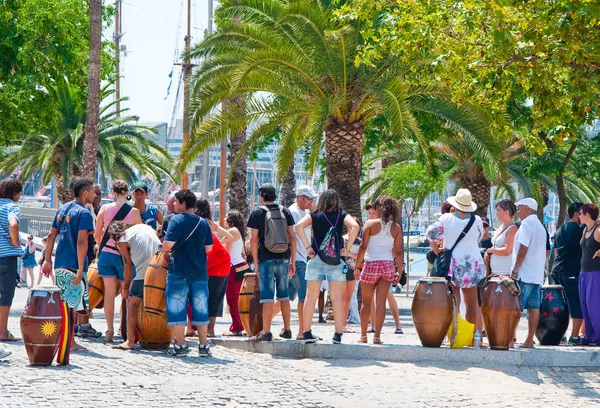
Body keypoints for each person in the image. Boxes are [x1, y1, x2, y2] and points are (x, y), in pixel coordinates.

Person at [296, 189, 359, 344]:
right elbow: (356, 227)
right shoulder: (341, 215)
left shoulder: (314, 215)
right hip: (335, 261)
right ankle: (337, 335)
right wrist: (347, 248)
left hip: (316, 258)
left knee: (311, 298)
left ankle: (307, 333)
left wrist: (307, 247)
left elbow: (298, 227)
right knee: (337, 299)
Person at [42, 178, 97, 356]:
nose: (95, 195)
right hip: (74, 265)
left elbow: (51, 235)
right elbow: (82, 242)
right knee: (73, 306)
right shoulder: (84, 213)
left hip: (60, 263)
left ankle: (63, 338)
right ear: (85, 193)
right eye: (93, 191)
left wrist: (47, 260)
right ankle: (70, 341)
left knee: (63, 304)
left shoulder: (62, 209)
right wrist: (81, 269)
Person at [426, 189, 486, 341]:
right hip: (473, 263)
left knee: (455, 300)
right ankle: (475, 338)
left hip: (454, 263)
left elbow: (430, 235)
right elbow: (479, 237)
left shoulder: (446, 218)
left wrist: (438, 252)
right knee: (472, 302)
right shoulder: (477, 220)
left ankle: (454, 336)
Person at [161, 189, 213, 356]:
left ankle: (181, 345)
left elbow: (168, 245)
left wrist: (164, 253)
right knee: (201, 307)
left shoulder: (176, 220)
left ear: (183, 203)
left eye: (176, 201)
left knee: (177, 307)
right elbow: (209, 248)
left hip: (179, 271)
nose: (174, 204)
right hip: (199, 272)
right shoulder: (203, 223)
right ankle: (204, 345)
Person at [247, 183, 296, 342]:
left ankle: (266, 331)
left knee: (267, 297)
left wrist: (255, 262)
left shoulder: (257, 213)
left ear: (261, 195)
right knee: (284, 296)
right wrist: (292, 261)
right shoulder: (285, 211)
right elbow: (292, 237)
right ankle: (287, 329)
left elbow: (253, 240)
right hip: (283, 258)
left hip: (266, 260)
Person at [95, 180, 142, 342]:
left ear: (113, 193)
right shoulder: (134, 212)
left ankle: (109, 330)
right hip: (124, 256)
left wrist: (100, 248)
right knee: (126, 293)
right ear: (127, 192)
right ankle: (125, 330)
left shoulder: (105, 209)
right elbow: (140, 234)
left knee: (108, 294)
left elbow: (97, 234)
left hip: (106, 255)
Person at [355, 197, 403, 344]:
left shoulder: (370, 224)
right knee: (381, 303)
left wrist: (357, 266)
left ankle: (363, 336)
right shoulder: (396, 228)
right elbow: (398, 252)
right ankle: (377, 337)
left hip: (371, 264)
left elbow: (363, 247)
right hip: (387, 265)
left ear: (378, 209)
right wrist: (399, 271)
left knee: (367, 302)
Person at [108, 221, 161, 350]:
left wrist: (125, 289)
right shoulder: (144, 227)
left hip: (145, 273)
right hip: (161, 268)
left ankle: (130, 341)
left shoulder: (122, 239)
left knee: (131, 304)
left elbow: (127, 267)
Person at [273, 185, 317, 339]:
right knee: (305, 295)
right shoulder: (292, 212)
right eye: (309, 199)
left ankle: (257, 325)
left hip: (300, 259)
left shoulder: (305, 212)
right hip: (296, 260)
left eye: (312, 199)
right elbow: (289, 237)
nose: (311, 202)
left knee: (284, 299)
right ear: (300, 197)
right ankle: (302, 332)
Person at [511, 198, 547, 349]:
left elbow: (523, 250)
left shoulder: (526, 224)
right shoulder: (540, 226)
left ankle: (510, 339)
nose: (517, 211)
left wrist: (514, 270)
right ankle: (529, 340)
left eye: (519, 208)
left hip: (524, 273)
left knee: (515, 307)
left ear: (526, 208)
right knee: (534, 308)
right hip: (536, 274)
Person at [193, 198, 232, 338]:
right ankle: (206, 329)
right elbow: (230, 237)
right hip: (218, 262)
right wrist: (220, 244)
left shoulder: (197, 223)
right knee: (212, 297)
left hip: (217, 265)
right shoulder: (210, 223)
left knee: (213, 297)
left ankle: (210, 330)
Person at [552, 202, 584, 345]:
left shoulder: (560, 230)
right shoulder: (580, 229)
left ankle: (560, 335)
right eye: (582, 213)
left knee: (559, 306)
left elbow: (555, 250)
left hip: (557, 270)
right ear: (577, 214)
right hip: (571, 271)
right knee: (576, 304)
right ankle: (574, 336)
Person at [0, 178, 23, 342]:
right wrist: (15, 242)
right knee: (5, 295)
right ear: (15, 193)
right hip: (6, 258)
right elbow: (13, 224)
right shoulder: (11, 206)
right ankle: (2, 331)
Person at [578, 203, 600, 346]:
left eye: (580, 213)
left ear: (587, 214)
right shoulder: (585, 229)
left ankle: (597, 337)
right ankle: (589, 336)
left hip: (595, 273)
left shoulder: (598, 230)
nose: (578, 216)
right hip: (583, 273)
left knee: (594, 306)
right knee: (585, 306)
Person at [223, 210, 248, 336]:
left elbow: (224, 247)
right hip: (240, 265)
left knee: (232, 298)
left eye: (226, 217)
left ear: (230, 220)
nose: (223, 220)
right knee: (236, 298)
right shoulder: (238, 231)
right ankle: (239, 325)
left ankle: (237, 327)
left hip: (234, 267)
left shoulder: (232, 231)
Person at [485, 199, 518, 276]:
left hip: (504, 272)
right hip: (495, 272)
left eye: (498, 211)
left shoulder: (512, 229)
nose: (496, 214)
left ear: (507, 212)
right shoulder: (501, 227)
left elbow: (507, 250)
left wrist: (491, 250)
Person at [342, 217, 362, 328]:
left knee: (352, 294)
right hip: (343, 270)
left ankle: (355, 318)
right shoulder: (343, 239)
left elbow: (360, 257)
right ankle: (349, 317)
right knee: (344, 295)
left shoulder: (359, 241)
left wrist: (348, 254)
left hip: (355, 269)